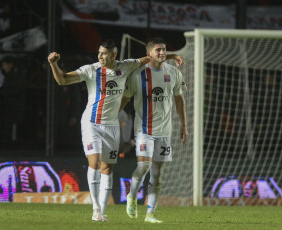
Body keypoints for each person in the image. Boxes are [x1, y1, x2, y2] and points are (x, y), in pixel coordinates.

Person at [48, 39, 183, 222]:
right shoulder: (91, 70)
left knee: (107, 168)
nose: (100, 56)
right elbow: (62, 80)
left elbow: (148, 57)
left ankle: (102, 212)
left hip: (111, 126)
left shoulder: (126, 66)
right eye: (99, 53)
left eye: (104, 53)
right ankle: (95, 208)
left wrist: (172, 56)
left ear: (114, 55)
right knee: (94, 163)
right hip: (91, 123)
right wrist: (53, 64)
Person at [120, 37, 188, 223]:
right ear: (149, 53)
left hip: (165, 132)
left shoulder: (173, 72)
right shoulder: (137, 75)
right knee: (144, 166)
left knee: (157, 176)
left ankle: (150, 213)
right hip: (143, 130)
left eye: (164, 49)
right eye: (158, 50)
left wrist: (184, 124)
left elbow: (179, 99)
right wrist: (112, 116)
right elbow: (125, 99)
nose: (162, 53)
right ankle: (132, 197)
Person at [0, 55, 27, 141]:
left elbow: (14, 90)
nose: (3, 67)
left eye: (4, 65)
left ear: (10, 65)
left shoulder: (17, 76)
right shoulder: (10, 76)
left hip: (14, 108)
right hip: (10, 108)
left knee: (13, 129)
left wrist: (5, 92)